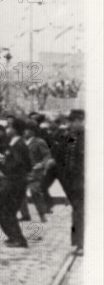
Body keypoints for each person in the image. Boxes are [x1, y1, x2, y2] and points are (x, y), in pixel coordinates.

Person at [0, 118, 32, 248]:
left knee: (6, 210)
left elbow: (16, 163)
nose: (7, 129)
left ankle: (18, 239)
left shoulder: (18, 144)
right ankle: (14, 237)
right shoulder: (13, 143)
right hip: (15, 180)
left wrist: (4, 166)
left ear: (15, 129)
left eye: (9, 126)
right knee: (4, 210)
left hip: (15, 181)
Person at [57, 109, 84, 254]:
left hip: (84, 182)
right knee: (77, 212)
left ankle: (82, 244)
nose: (72, 124)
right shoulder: (71, 137)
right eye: (71, 121)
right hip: (73, 182)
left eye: (75, 121)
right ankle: (78, 243)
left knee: (81, 212)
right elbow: (63, 157)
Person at [24, 119, 52, 223]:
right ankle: (25, 214)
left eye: (26, 130)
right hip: (23, 171)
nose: (24, 132)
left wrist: (41, 164)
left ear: (32, 131)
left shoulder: (39, 142)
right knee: (18, 192)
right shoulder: (21, 141)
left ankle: (42, 214)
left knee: (34, 191)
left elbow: (47, 155)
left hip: (35, 172)